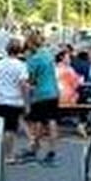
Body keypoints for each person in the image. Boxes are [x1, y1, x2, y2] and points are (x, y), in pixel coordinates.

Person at [22, 31, 59, 166]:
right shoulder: (48, 54)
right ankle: (52, 151)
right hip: (53, 91)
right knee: (51, 121)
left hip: (41, 93)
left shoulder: (35, 59)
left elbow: (30, 79)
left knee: (38, 121)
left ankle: (34, 148)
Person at [0, 39, 30, 165]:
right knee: (11, 130)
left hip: (0, 99)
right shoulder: (21, 65)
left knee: (1, 129)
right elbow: (23, 84)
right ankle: (9, 154)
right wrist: (26, 102)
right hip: (14, 100)